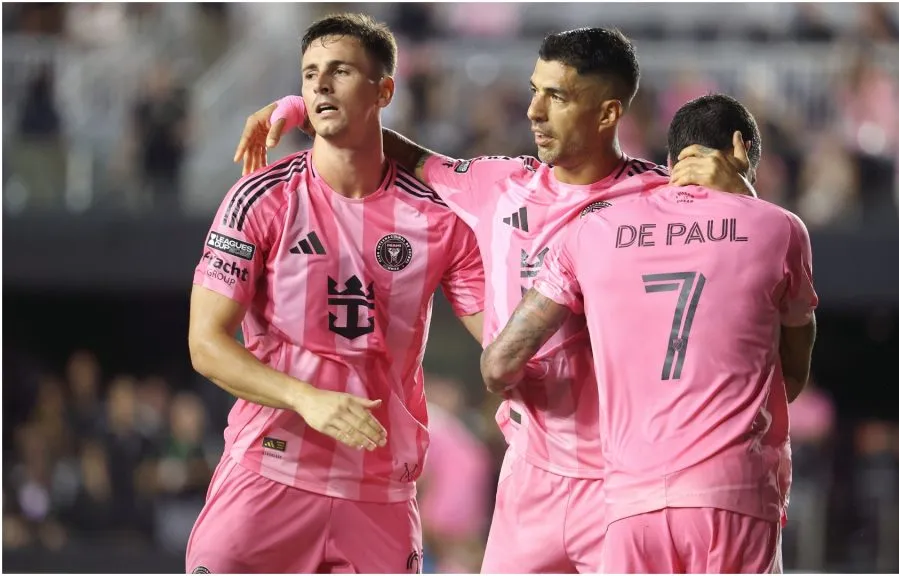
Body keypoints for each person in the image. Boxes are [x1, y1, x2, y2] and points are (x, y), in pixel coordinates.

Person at [235, 28, 755, 573]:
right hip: (527, 477)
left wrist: (740, 195)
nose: (534, 110)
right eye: (534, 90)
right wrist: (304, 109)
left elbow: (752, 267)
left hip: (626, 481)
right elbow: (393, 150)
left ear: (607, 115)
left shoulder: (661, 197)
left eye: (556, 96)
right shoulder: (496, 184)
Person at [186, 14, 485, 574]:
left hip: (378, 499)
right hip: (268, 476)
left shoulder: (439, 218)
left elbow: (499, 341)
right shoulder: (260, 200)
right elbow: (206, 344)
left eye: (340, 71)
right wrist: (307, 398)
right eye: (309, 75)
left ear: (384, 91)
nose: (320, 84)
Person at [481, 94, 818, 573]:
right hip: (731, 495)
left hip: (627, 505)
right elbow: (793, 376)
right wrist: (745, 198)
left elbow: (499, 364)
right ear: (742, 149)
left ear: (669, 161)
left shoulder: (592, 229)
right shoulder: (778, 227)